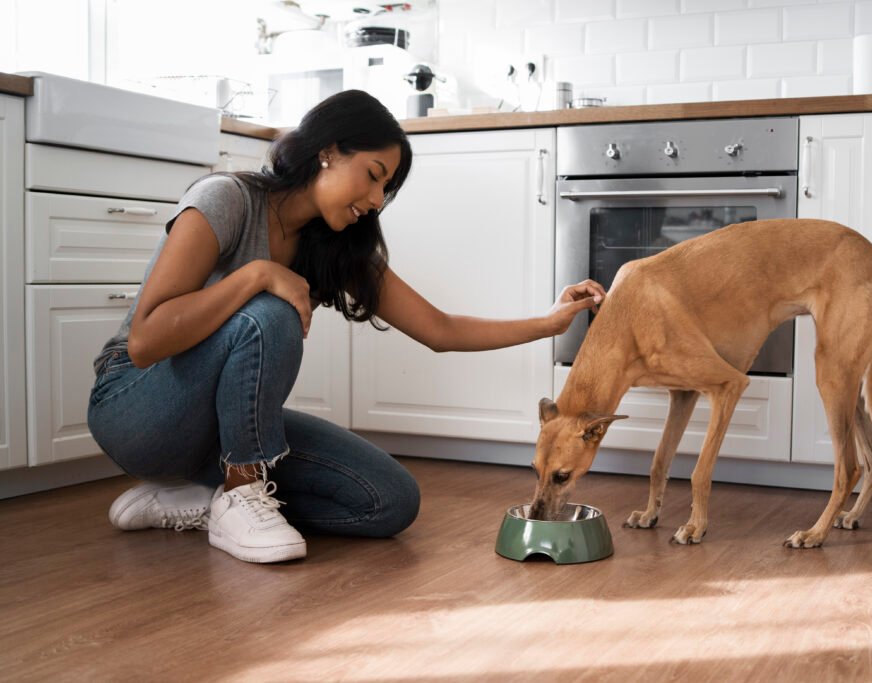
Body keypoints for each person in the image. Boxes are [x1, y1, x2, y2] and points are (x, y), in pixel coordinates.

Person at [86, 90, 605, 564]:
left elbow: (440, 329)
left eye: (387, 187)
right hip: (136, 409)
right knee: (270, 309)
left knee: (390, 501)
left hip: (218, 431)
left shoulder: (338, 243)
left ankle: (207, 498)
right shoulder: (226, 198)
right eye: (374, 174)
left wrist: (549, 321)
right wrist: (257, 274)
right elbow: (146, 340)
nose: (378, 200)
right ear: (328, 151)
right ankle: (242, 493)